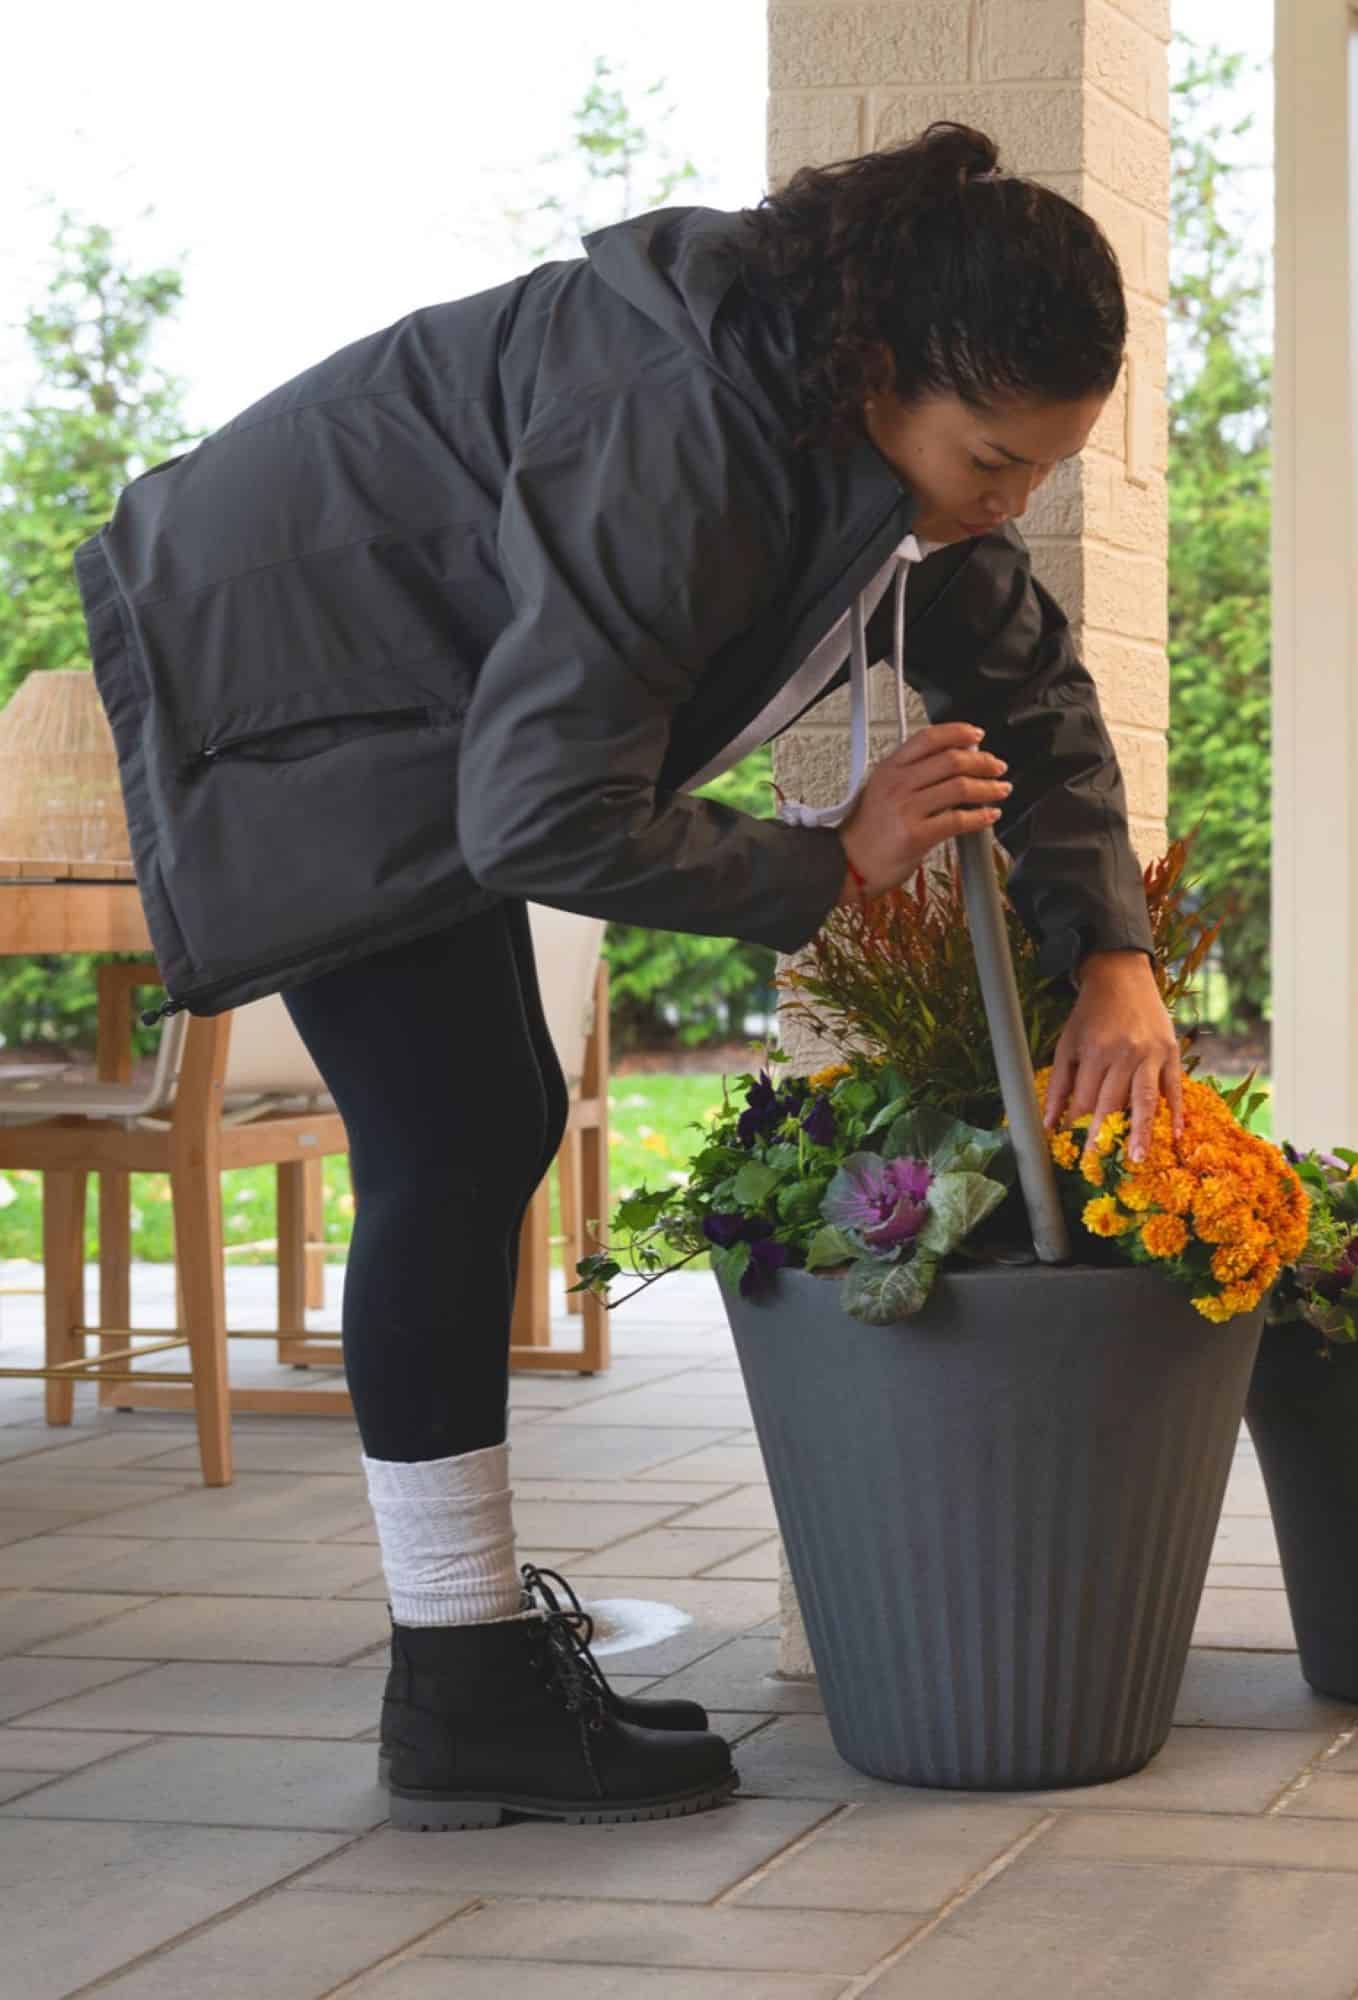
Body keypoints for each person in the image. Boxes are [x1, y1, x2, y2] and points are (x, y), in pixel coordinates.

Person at [73, 121, 1180, 1832]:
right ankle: (459, 1692)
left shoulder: (864, 429)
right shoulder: (681, 432)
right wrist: (833, 861)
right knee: (461, 1132)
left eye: (1042, 467)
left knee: (479, 1120)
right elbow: (536, 815)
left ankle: (466, 1676)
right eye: (994, 459)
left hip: (405, 665)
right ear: (890, 374)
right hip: (289, 662)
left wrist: (1114, 953)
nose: (1010, 500)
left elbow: (1028, 687)